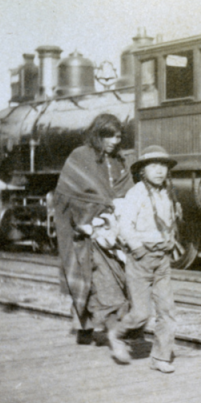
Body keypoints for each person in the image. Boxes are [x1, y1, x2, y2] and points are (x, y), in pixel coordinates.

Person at [53, 114, 134, 347]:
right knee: (86, 275)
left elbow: (126, 190)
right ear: (97, 135)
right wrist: (93, 213)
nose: (115, 141)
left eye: (118, 136)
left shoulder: (120, 160)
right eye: (109, 135)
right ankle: (84, 327)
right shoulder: (80, 157)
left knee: (114, 277)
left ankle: (115, 324)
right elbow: (67, 196)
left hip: (114, 230)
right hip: (85, 230)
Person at [108, 145, 181, 373]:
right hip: (141, 258)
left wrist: (170, 241)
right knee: (141, 314)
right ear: (142, 171)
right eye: (153, 166)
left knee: (167, 311)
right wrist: (138, 249)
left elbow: (167, 222)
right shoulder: (136, 193)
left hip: (162, 259)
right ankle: (116, 334)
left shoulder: (167, 192)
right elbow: (124, 226)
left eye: (163, 166)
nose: (159, 171)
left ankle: (160, 358)